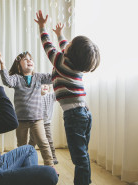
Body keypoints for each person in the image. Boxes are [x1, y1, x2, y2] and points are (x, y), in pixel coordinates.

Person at [34, 10, 100, 185]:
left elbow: (47, 45)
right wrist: (60, 34)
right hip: (84, 113)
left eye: (69, 44)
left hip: (75, 116)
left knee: (79, 158)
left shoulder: (60, 61)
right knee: (83, 154)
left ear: (69, 53)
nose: (66, 44)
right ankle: (86, 180)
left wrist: (42, 27)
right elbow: (65, 46)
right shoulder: (73, 64)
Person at [0, 52, 55, 167]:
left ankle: (51, 166)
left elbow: (52, 77)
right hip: (21, 119)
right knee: (22, 145)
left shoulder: (38, 77)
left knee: (43, 143)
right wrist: (2, 65)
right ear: (19, 65)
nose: (29, 61)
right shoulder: (16, 78)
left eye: (30, 59)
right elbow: (7, 81)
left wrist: (57, 65)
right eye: (25, 59)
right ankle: (23, 167)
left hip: (37, 118)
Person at [28, 84, 58, 165]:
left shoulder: (51, 96)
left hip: (46, 123)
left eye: (47, 85)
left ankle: (53, 156)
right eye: (43, 85)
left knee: (49, 140)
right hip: (35, 123)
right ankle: (27, 156)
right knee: (32, 141)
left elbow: (58, 92)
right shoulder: (34, 96)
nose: (45, 86)